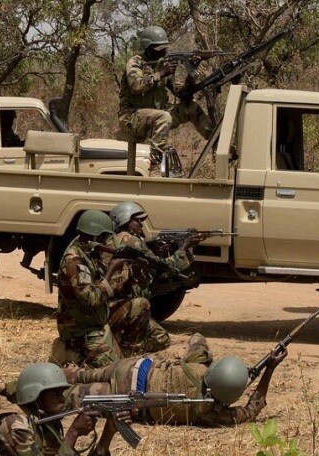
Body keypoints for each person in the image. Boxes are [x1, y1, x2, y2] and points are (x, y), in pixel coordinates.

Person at [0, 333, 286, 427]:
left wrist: (257, 365)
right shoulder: (212, 413)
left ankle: (2, 386)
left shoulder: (198, 368)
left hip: (129, 368)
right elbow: (254, 407)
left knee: (67, 378)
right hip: (119, 395)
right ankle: (0, 389)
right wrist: (267, 371)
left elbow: (197, 341)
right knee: (61, 397)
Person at [118, 26, 214, 173]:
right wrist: (161, 73)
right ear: (148, 48)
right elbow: (136, 86)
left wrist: (192, 70)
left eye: (165, 47)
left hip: (158, 116)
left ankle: (217, 143)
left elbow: (182, 94)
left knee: (190, 107)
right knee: (164, 116)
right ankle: (155, 167)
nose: (164, 51)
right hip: (131, 118)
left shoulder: (162, 64)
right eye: (159, 48)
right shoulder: (135, 62)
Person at [105, 201, 199, 353]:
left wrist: (154, 249)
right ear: (124, 220)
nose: (141, 224)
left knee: (160, 336)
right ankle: (124, 349)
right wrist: (183, 248)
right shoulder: (130, 240)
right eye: (137, 220)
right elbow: (168, 266)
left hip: (116, 303)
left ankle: (123, 345)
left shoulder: (117, 238)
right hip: (123, 304)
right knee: (161, 339)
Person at [54, 210, 126, 368]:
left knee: (122, 364)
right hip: (81, 330)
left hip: (93, 323)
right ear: (93, 237)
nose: (106, 241)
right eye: (103, 237)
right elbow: (90, 298)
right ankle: (71, 354)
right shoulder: (74, 261)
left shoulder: (88, 252)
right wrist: (111, 270)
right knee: (113, 372)